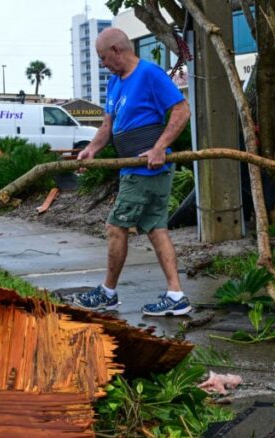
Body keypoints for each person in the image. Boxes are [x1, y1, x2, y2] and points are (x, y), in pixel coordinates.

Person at [71, 27, 192, 316]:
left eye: (103, 58)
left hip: (147, 169)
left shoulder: (149, 74)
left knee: (116, 227)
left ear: (117, 50)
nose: (102, 64)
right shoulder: (115, 83)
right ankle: (176, 295)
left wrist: (160, 147)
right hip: (131, 169)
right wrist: (92, 148)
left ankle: (108, 293)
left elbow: (181, 110)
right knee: (156, 228)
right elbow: (107, 126)